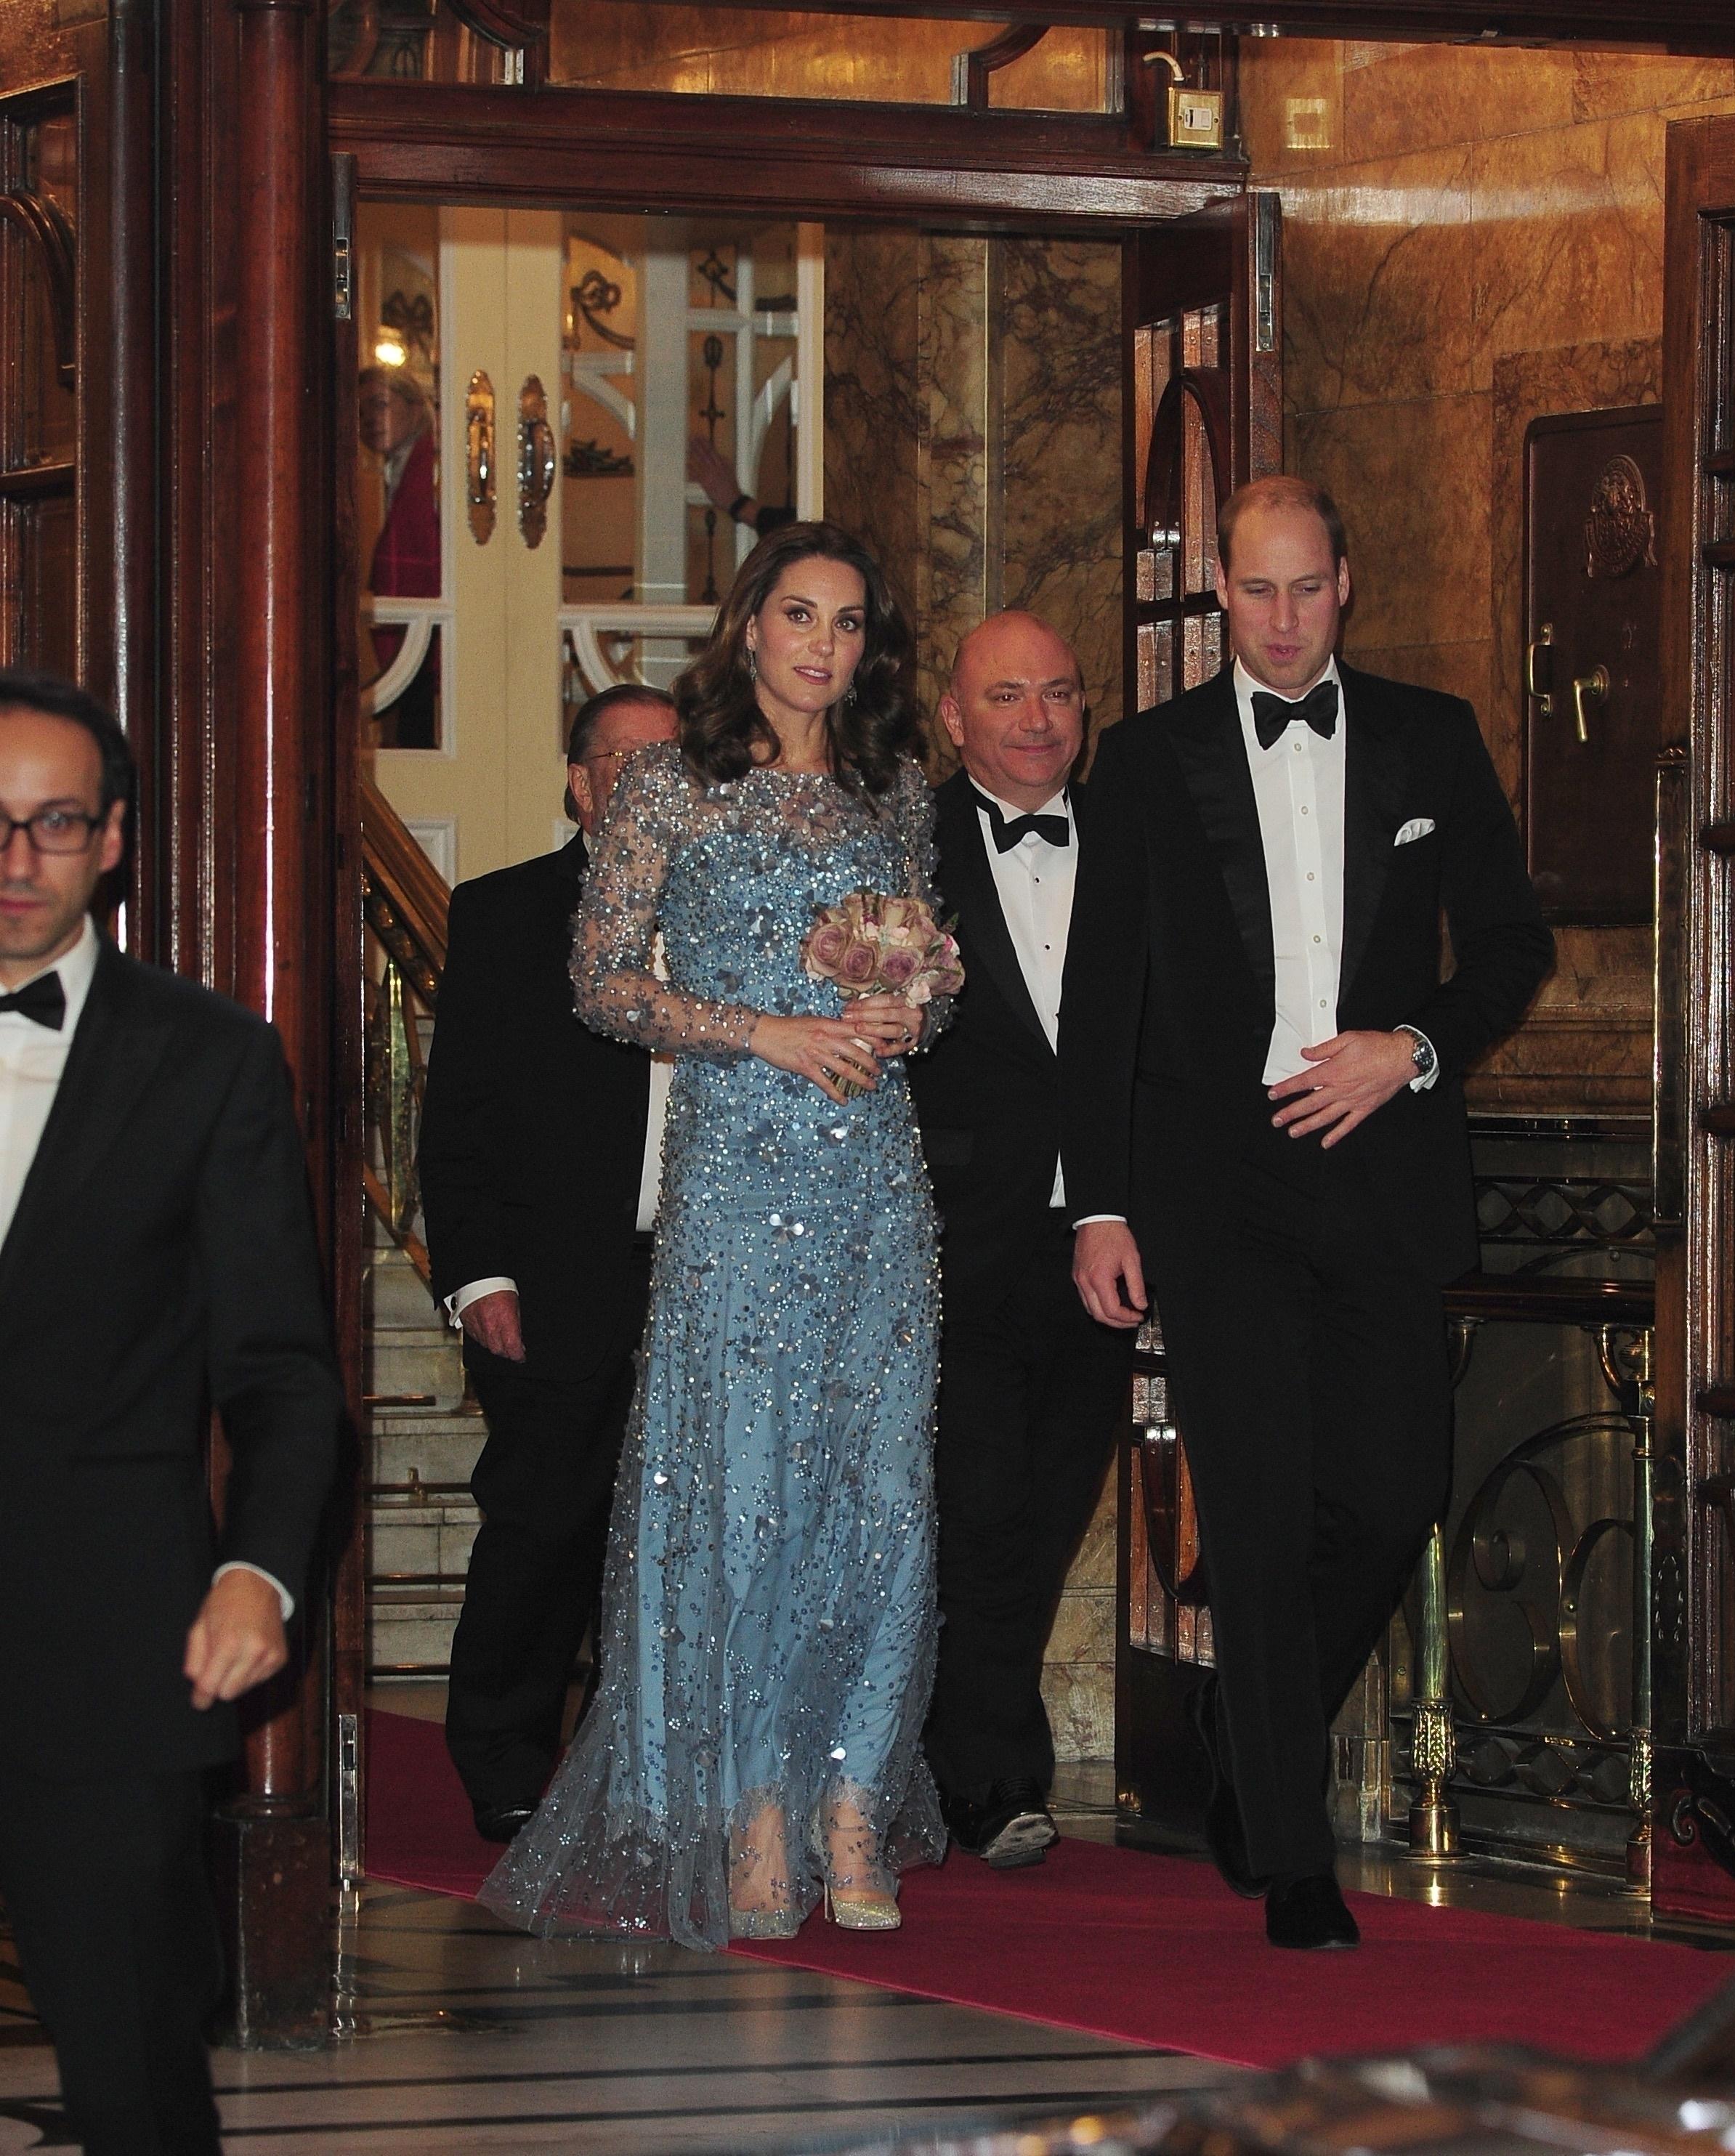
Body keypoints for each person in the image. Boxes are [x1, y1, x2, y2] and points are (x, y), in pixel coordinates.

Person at [1061, 477, 1553, 1950]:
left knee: (1393, 1494)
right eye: (1256, 591)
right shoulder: (1144, 762)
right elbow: (1102, 997)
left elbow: (1514, 946)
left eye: (1307, 588)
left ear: (1349, 582)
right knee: (1262, 1518)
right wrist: (1098, 1205)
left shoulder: (1430, 734)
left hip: (1385, 1171)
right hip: (1219, 1189)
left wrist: (1407, 1049)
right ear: (1223, 591)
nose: (1282, 619)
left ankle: (1243, 1721)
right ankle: (1292, 1847)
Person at [482, 521, 949, 1950]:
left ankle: (855, 1799)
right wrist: (762, 1028)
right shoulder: (670, 789)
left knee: (878, 1498)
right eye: (800, 614)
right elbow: (601, 983)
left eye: (849, 621)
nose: (824, 643)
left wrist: (904, 1007)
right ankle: (753, 1807)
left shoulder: (897, 790)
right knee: (747, 1492)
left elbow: (931, 978)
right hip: (739, 1184)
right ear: (750, 627)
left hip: (877, 1180)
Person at [0, 672, 340, 2152]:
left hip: (104, 1637)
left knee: (134, 2071)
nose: (14, 860)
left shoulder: (204, 1057)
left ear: (115, 840)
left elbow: (281, 1365)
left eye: (52, 823)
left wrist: (257, 1568)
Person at [418, 683, 679, 1844]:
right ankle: (506, 1759)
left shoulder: (740, 921)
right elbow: (458, 1115)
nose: (652, 787)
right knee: (543, 1524)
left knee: (681, 1533)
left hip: (708, 1275)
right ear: (579, 783)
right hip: (558, 1279)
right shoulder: (508, 914)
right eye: (627, 764)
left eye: (677, 768)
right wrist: (479, 1277)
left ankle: (648, 1765)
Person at [912, 611, 1133, 1868]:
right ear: (955, 716)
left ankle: (969, 1756)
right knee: (977, 1506)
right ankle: (992, 1775)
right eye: (1007, 695)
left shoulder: (1134, 843)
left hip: (1102, 1237)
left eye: (1058, 691)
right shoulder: (907, 849)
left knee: (1050, 1509)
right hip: (955, 1237)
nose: (1039, 718)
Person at [360, 365, 440, 749]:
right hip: (414, 629)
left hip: (425, 630)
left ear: (412, 406)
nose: (370, 421)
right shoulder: (401, 466)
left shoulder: (430, 466)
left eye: (379, 405)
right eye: (362, 413)